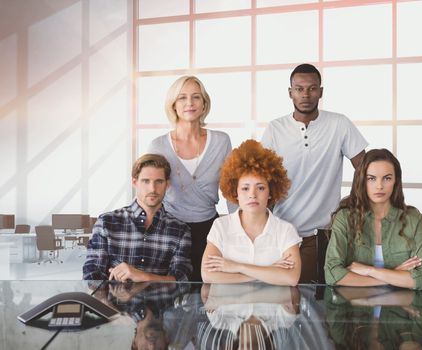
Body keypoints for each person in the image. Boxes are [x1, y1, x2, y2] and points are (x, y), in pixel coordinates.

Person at [261, 63, 368, 283]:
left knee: (318, 303)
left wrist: (352, 201)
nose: (306, 95)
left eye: (312, 88)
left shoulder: (339, 124)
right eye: (299, 89)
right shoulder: (275, 128)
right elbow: (262, 179)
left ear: (321, 91)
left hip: (323, 232)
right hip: (282, 230)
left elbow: (367, 168)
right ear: (290, 93)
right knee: (283, 301)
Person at [148, 75, 232, 282]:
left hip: (209, 230)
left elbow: (231, 190)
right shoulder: (158, 145)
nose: (189, 103)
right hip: (169, 230)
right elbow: (149, 192)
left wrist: (238, 228)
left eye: (196, 97)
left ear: (204, 104)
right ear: (173, 105)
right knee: (171, 296)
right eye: (182, 98)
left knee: (207, 295)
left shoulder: (221, 141)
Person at [324, 149, 422, 290]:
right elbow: (333, 274)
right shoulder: (345, 218)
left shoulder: (412, 219)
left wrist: (370, 271)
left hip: (400, 307)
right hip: (355, 307)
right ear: (362, 181)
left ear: (396, 181)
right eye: (371, 178)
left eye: (387, 178)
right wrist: (394, 276)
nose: (379, 186)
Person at [201, 140, 302, 286]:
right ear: (235, 192)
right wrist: (268, 272)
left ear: (270, 192)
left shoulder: (285, 230)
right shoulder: (221, 226)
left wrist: (237, 267)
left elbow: (291, 279)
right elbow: (208, 275)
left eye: (260, 188)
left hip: (272, 307)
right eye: (245, 188)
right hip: (230, 307)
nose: (252, 195)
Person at [83, 154, 192, 282]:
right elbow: (91, 275)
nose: (152, 189)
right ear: (135, 182)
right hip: (113, 301)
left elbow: (182, 280)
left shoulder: (180, 230)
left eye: (159, 181)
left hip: (159, 302)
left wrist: (144, 277)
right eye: (146, 181)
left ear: (167, 184)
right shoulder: (106, 223)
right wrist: (108, 301)